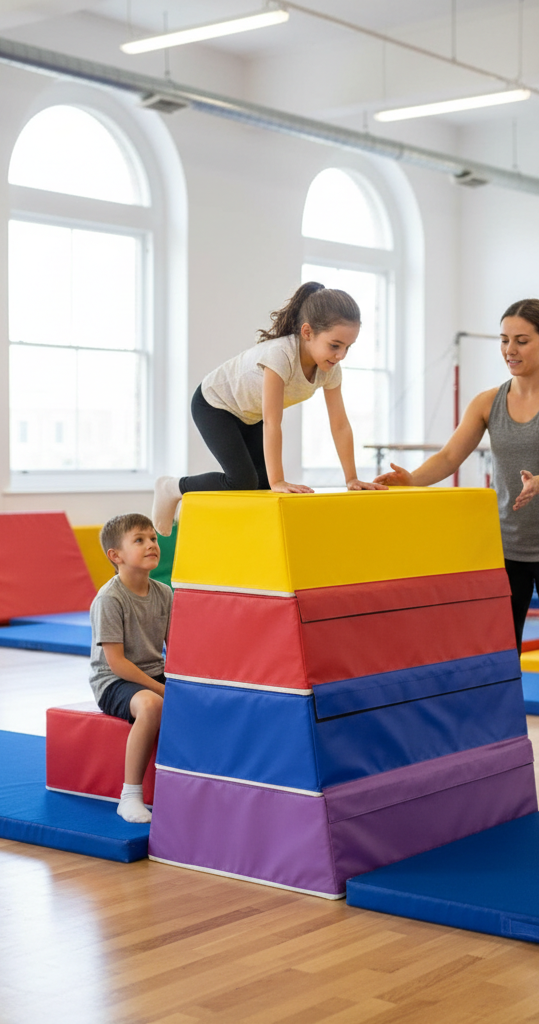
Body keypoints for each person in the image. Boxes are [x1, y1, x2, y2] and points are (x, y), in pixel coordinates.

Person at [375, 298, 539, 814]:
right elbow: (449, 456)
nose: (510, 350)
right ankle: (490, 772)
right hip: (505, 553)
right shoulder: (488, 401)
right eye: (504, 340)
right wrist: (409, 480)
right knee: (498, 666)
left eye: (521, 340)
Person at [152, 281, 384, 532]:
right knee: (242, 480)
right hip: (214, 404)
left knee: (260, 483)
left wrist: (351, 478)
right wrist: (279, 481)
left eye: (348, 347)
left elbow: (339, 424)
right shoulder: (280, 355)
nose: (341, 355)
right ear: (307, 332)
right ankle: (172, 487)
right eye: (335, 345)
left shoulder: (330, 370)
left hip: (249, 415)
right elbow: (273, 421)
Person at [89, 513, 173, 823]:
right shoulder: (110, 599)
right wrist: (162, 689)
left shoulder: (164, 593)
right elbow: (117, 663)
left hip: (152, 672)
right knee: (152, 705)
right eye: (139, 540)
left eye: (153, 538)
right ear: (116, 556)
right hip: (114, 681)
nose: (151, 544)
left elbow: (174, 649)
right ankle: (130, 795)